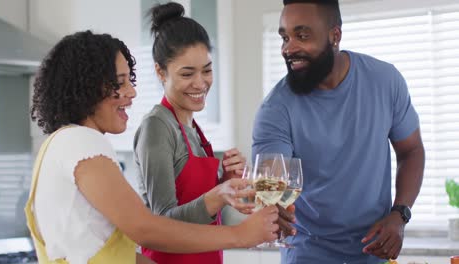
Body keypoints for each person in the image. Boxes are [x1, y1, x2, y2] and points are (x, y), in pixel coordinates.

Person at [26, 30, 280, 264]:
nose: (133, 92)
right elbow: (146, 229)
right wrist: (239, 235)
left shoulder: (58, 144)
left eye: (130, 80)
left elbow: (117, 253)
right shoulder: (82, 142)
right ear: (87, 86)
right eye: (120, 82)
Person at [252, 0, 425, 263]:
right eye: (285, 37)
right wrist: (272, 208)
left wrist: (400, 214)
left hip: (374, 250)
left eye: (302, 35)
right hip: (306, 253)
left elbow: (411, 150)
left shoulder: (385, 81)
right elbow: (271, 185)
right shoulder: (275, 108)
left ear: (335, 36)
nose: (289, 48)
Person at [133, 2, 283, 263]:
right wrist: (217, 196)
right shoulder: (157, 126)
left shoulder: (195, 129)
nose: (201, 83)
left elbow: (201, 210)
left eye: (207, 70)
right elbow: (161, 223)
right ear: (160, 72)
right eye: (187, 73)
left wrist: (226, 181)